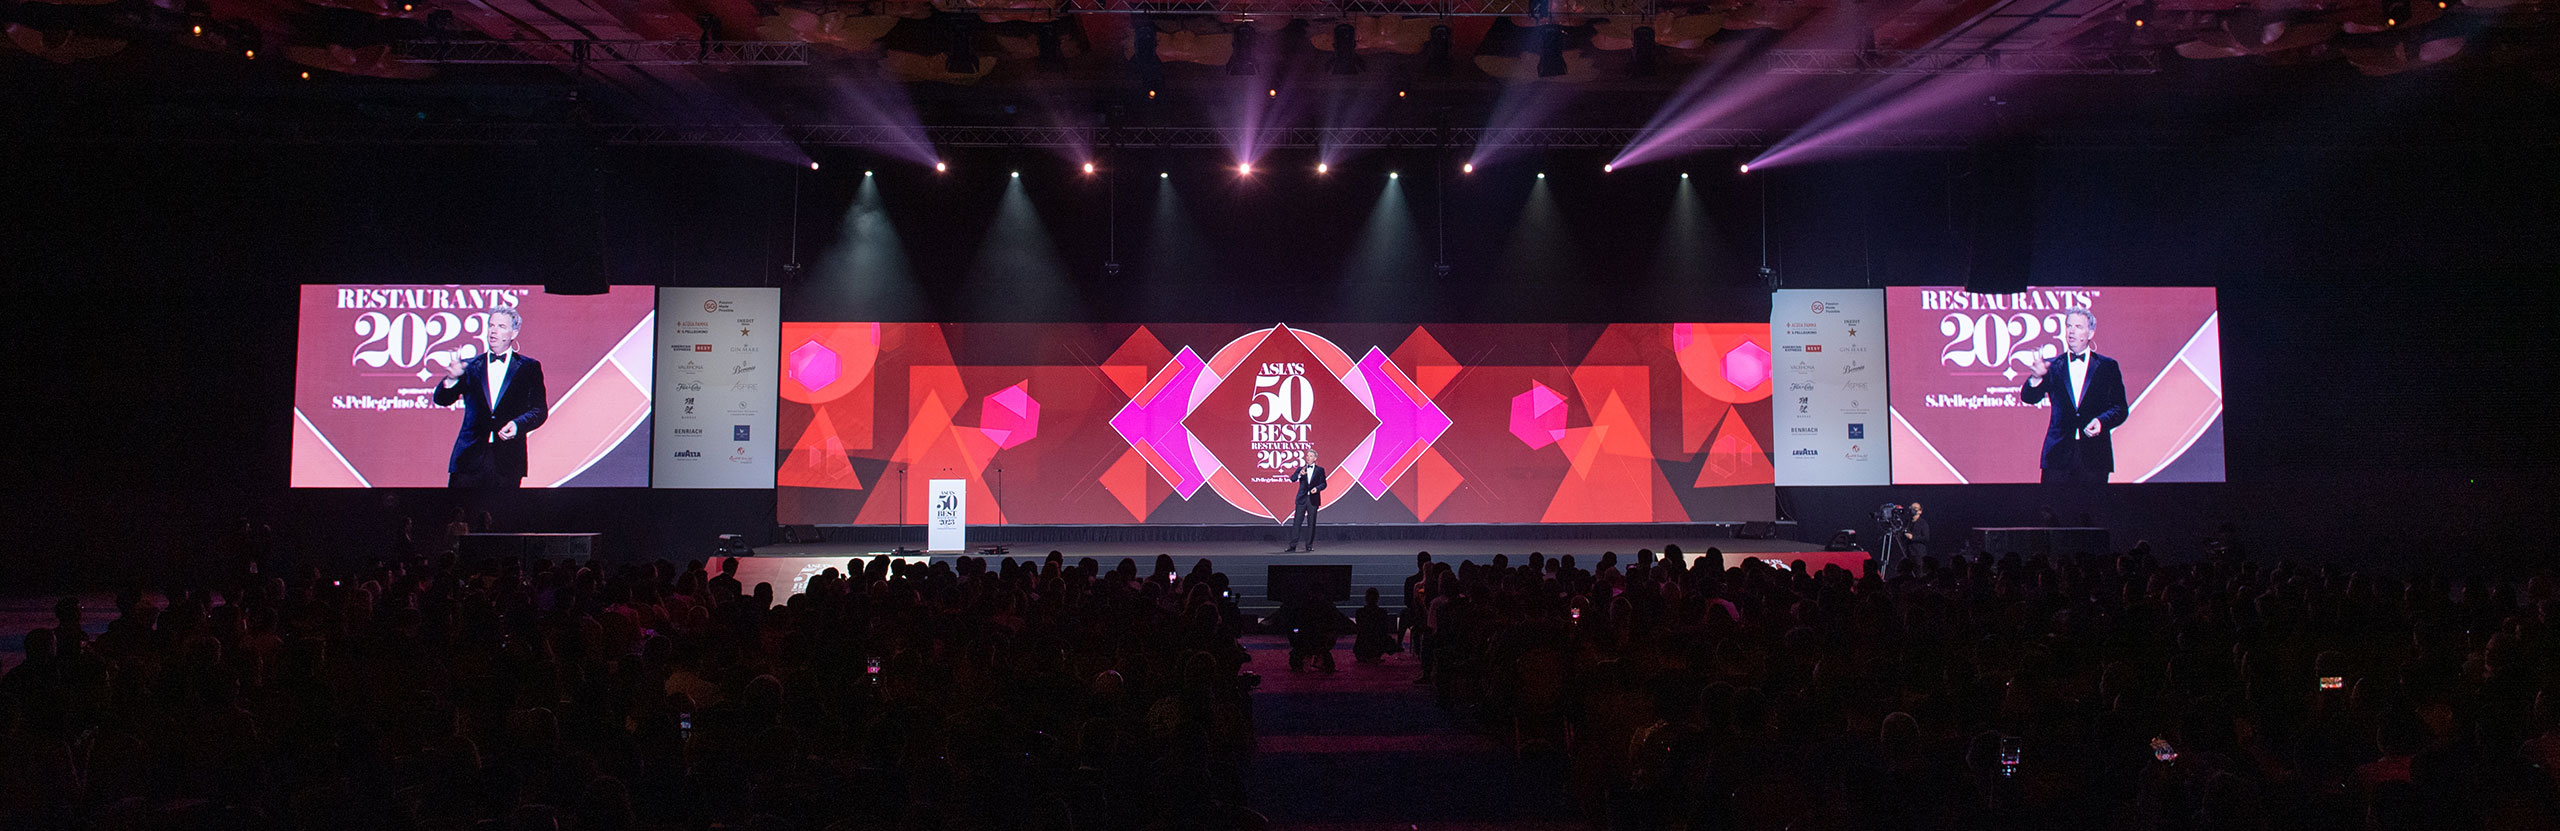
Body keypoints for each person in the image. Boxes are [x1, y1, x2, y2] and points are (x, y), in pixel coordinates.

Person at [432, 306, 548, 489]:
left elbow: (539, 410)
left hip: (507, 461)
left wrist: (517, 425)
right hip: (468, 460)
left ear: (513, 333)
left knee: (503, 507)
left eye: (501, 326)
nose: (493, 331)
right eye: (491, 325)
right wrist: (451, 379)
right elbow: (441, 399)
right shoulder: (470, 366)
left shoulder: (529, 367)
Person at [2018, 308, 2128, 485]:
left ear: (2090, 333)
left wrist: (2101, 422)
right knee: (2052, 502)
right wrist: (2036, 377)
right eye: (2069, 326)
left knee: (2092, 503)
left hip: (2095, 457)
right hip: (2057, 456)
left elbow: (2120, 408)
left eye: (2078, 327)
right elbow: (2029, 398)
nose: (2071, 331)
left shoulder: (2107, 366)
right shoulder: (2053, 366)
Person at [1283, 461, 1328, 552]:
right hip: (1301, 499)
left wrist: (1317, 489)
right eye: (1307, 456)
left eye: (1311, 456)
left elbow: (1324, 484)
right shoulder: (1301, 468)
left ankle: (1309, 545)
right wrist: (1299, 474)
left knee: (1311, 523)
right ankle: (1292, 545)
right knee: (1297, 522)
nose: (1308, 458)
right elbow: (1292, 479)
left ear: (1315, 458)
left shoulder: (1320, 470)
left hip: (1313, 499)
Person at [1353, 588, 1400, 664]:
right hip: (1377, 644)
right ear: (1377, 598)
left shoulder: (1360, 612)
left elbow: (1359, 627)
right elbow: (1384, 629)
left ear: (1366, 598)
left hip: (1361, 648)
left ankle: (1369, 655)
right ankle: (1375, 654)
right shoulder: (1382, 612)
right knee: (1386, 638)